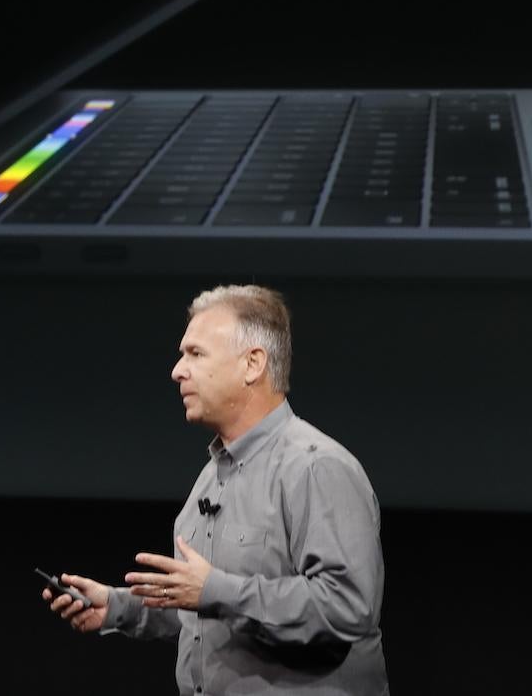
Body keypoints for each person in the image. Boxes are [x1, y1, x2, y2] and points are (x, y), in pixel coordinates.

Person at [44, 284, 389, 694]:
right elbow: (207, 615)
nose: (177, 370)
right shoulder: (210, 478)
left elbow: (346, 608)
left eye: (196, 354)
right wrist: (118, 607)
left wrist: (214, 590)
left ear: (252, 364)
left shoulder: (316, 467)